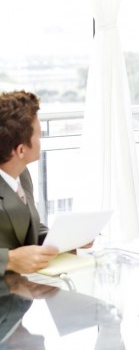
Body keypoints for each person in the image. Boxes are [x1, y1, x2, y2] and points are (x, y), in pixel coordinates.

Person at [0, 90, 59, 276]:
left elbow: (27, 228)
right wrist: (9, 260)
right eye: (39, 136)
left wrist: (62, 241)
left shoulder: (21, 173)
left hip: (23, 291)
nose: (41, 141)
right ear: (20, 150)